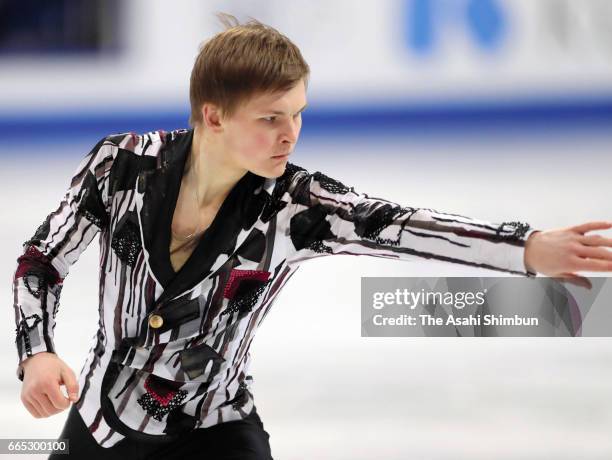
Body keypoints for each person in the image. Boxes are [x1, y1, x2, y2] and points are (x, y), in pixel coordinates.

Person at [12, 13, 612, 460]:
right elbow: (42, 260)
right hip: (100, 424)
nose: (290, 134)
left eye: (298, 113)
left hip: (216, 428)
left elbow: (400, 227)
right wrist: (36, 352)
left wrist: (526, 248)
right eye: (271, 117)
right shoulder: (122, 166)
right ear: (214, 116)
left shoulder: (293, 204)